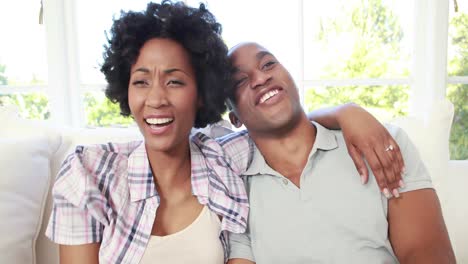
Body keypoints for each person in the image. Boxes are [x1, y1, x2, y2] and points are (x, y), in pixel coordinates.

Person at [45, 1, 405, 263]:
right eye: (141, 82)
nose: (156, 99)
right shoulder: (89, 173)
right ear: (126, 89)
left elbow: (283, 123)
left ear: (201, 93)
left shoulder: (225, 158)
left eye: (174, 81)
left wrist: (347, 113)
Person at [221, 42, 455, 263]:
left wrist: (347, 111)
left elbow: (427, 252)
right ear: (234, 119)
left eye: (268, 64)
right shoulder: (235, 188)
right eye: (240, 81)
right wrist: (343, 111)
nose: (261, 77)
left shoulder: (380, 143)